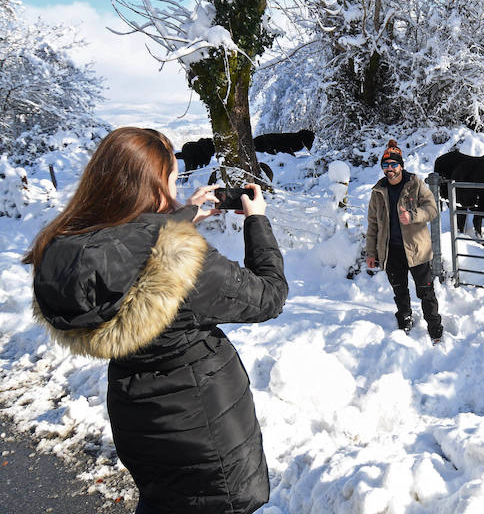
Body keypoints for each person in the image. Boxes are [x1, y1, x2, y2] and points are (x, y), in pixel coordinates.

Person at [23, 127, 288, 514]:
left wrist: (181, 217)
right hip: (203, 433)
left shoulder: (69, 249)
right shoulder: (179, 261)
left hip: (138, 422)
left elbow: (129, 247)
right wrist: (257, 221)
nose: (175, 188)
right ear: (154, 186)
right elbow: (269, 295)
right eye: (171, 179)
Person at [365, 140, 443, 344]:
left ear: (401, 165)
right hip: (391, 251)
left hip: (417, 250)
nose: (389, 169)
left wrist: (413, 215)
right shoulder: (378, 191)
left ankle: (434, 328)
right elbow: (373, 224)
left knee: (426, 292)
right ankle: (405, 319)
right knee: (399, 290)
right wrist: (371, 253)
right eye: (385, 165)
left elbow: (433, 209)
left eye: (393, 164)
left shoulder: (415, 184)